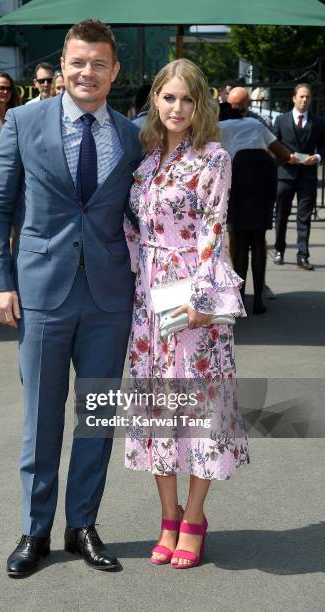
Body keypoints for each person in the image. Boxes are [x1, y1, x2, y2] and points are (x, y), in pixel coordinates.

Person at [0, 19, 142, 577]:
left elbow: (145, 213)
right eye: (78, 62)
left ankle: (83, 526)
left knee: (97, 418)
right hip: (42, 294)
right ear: (62, 66)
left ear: (114, 71)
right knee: (41, 419)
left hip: (108, 299)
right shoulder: (23, 123)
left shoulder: (130, 135)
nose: (87, 72)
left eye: (99, 63)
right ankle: (35, 531)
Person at [124, 59, 249, 569]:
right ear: (155, 99)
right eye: (168, 97)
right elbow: (134, 227)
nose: (177, 108)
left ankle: (194, 518)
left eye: (187, 100)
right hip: (148, 299)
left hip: (191, 300)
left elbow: (214, 230)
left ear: (202, 106)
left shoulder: (213, 157)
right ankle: (168, 516)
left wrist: (204, 302)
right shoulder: (147, 157)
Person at [219, 99, 293, 314]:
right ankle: (258, 299)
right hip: (263, 173)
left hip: (238, 174)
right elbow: (282, 153)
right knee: (258, 239)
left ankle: (239, 298)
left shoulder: (218, 127)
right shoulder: (254, 123)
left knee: (238, 239)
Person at [273, 83, 325, 270]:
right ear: (294, 98)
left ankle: (302, 255)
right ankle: (279, 250)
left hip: (307, 176)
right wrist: (286, 157)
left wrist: (317, 157)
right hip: (285, 175)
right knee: (281, 215)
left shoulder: (318, 122)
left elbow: (323, 146)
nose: (304, 100)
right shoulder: (281, 120)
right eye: (301, 96)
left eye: (308, 97)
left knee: (304, 217)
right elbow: (273, 144)